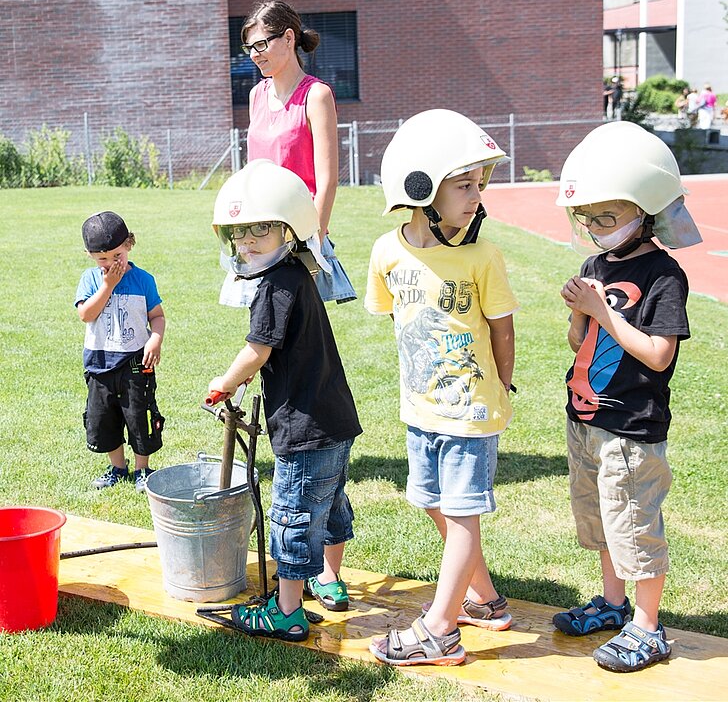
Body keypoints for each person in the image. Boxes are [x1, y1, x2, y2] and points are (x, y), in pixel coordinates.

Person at [365, 110, 518, 667]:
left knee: (460, 516)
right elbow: (397, 320)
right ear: (421, 188)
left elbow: (502, 328)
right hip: (421, 408)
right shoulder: (387, 252)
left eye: (479, 184)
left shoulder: (483, 256)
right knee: (430, 503)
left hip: (470, 411)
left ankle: (439, 629)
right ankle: (485, 599)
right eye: (464, 185)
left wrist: (502, 384)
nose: (477, 196)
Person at [553, 121, 702, 672]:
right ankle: (613, 605)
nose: (595, 229)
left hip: (631, 428)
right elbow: (578, 341)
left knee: (634, 526)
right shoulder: (595, 265)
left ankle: (648, 626)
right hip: (587, 420)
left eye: (607, 218)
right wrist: (579, 311)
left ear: (646, 212)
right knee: (601, 521)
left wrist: (602, 311)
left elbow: (658, 354)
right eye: (587, 218)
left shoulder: (665, 274)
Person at [208, 159, 362, 642]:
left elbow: (258, 349)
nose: (247, 242)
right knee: (329, 503)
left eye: (260, 230)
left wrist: (225, 382)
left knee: (294, 512)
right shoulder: (298, 273)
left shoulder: (274, 286)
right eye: (239, 233)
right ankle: (328, 580)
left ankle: (288, 609)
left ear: (291, 231)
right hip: (334, 419)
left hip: (304, 425)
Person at [219, 0, 356, 308]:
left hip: (298, 235)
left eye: (261, 44)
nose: (254, 55)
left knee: (295, 337)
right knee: (264, 331)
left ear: (289, 38)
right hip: (256, 235)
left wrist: (312, 245)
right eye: (249, 48)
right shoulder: (257, 95)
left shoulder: (316, 95)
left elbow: (327, 182)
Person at [75, 211, 166, 492]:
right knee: (104, 418)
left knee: (139, 415)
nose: (111, 262)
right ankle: (117, 466)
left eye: (116, 255)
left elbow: (157, 316)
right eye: (102, 258)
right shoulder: (90, 280)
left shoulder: (143, 280)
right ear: (89, 255)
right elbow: (86, 315)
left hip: (135, 362)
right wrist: (107, 285)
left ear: (129, 244)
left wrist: (156, 339)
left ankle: (142, 469)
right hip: (100, 363)